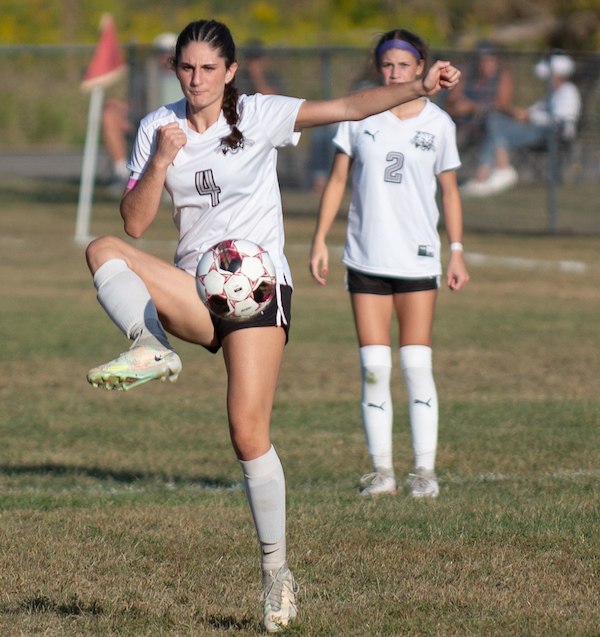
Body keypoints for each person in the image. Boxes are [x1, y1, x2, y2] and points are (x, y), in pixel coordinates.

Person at [84, 19, 460, 632]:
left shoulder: (258, 114)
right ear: (175, 69)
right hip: (197, 288)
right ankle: (149, 345)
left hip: (258, 289)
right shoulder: (157, 127)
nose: (197, 80)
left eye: (209, 69)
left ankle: (276, 574)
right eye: (187, 68)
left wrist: (418, 87)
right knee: (103, 248)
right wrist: (161, 160)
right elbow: (135, 223)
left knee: (246, 432)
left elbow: (347, 107)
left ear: (230, 71)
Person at [309, 29, 469, 500]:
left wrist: (456, 249)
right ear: (379, 68)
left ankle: (424, 472)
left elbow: (450, 191)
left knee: (416, 364)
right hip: (366, 256)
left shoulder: (438, 123)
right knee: (374, 367)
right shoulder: (360, 115)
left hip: (417, 259)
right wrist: (319, 239)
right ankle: (382, 472)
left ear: (421, 68)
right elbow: (337, 181)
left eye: (404, 65)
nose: (396, 73)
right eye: (388, 65)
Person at [460, 53, 581, 197]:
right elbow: (535, 110)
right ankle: (489, 175)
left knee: (495, 128)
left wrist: (530, 116)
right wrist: (521, 114)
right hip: (539, 131)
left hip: (552, 135)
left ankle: (492, 173)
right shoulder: (553, 93)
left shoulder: (568, 92)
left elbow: (560, 120)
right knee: (495, 122)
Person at [102, 33, 183, 193]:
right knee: (110, 115)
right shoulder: (145, 77)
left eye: (170, 52)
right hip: (144, 121)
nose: (166, 57)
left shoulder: (187, 77)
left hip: (177, 124)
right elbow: (136, 103)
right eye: (161, 52)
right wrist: (119, 107)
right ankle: (122, 173)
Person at [444, 40, 514, 153]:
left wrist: (472, 107)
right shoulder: (466, 74)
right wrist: (460, 107)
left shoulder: (502, 76)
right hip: (463, 124)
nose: (486, 64)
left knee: (493, 124)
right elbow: (451, 102)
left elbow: (502, 105)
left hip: (487, 125)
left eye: (490, 60)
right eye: (482, 60)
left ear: (496, 60)